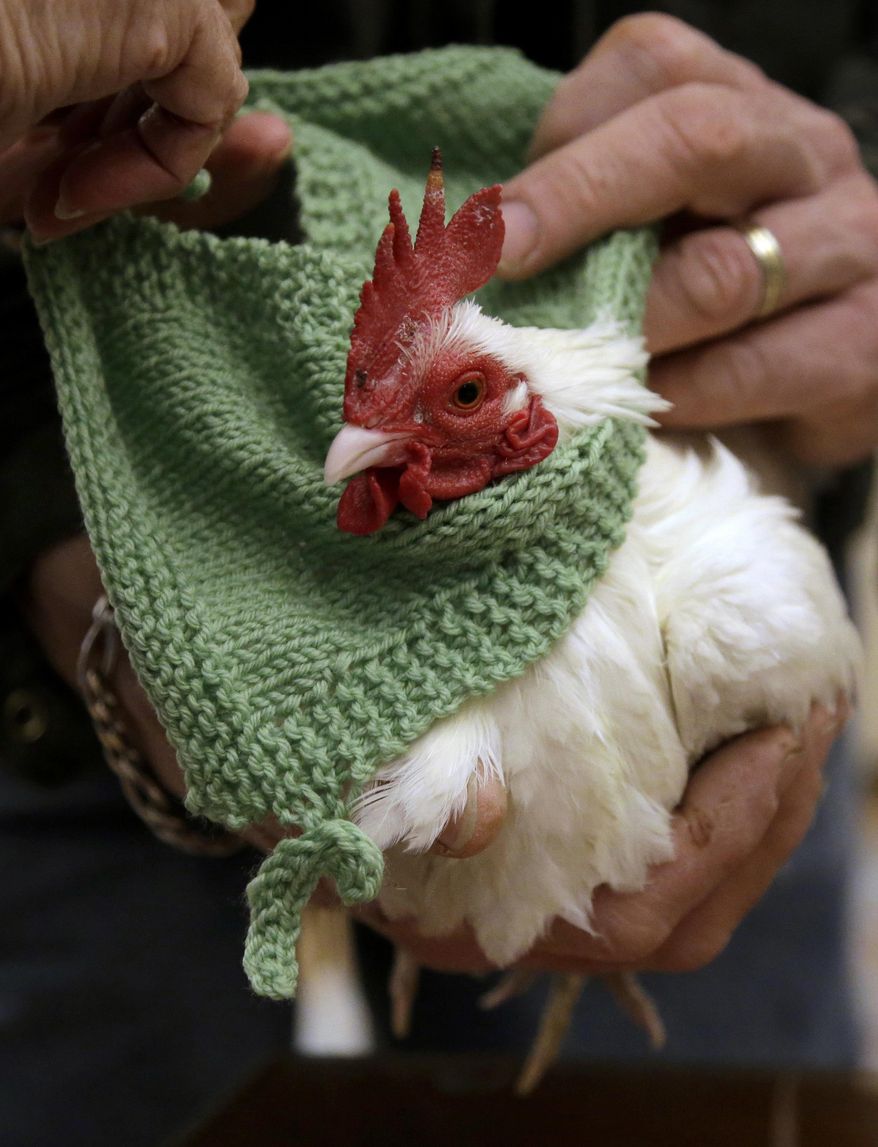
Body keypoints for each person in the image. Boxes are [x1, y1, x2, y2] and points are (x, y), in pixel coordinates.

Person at [0, 2, 875, 1143]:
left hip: (746, 303)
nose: (358, 442)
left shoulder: (729, 602)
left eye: (459, 398)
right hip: (42, 690)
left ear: (523, 414)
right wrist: (47, 502)